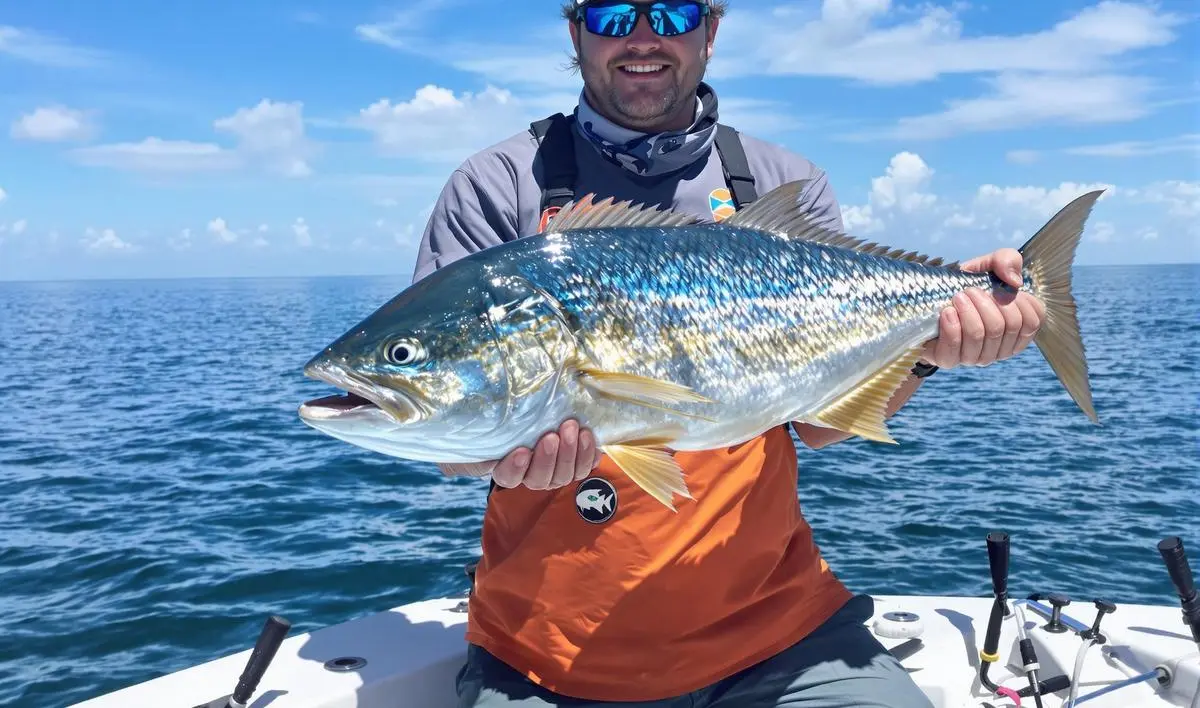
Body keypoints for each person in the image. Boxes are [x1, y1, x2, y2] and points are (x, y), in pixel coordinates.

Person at [411, 1, 1046, 706]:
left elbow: (821, 425)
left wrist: (927, 348)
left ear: (710, 30)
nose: (643, 38)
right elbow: (449, 430)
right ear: (575, 31)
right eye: (614, 15)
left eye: (673, 13)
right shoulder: (498, 184)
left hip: (781, 634)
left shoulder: (778, 180)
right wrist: (492, 455)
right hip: (548, 651)